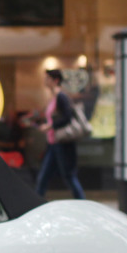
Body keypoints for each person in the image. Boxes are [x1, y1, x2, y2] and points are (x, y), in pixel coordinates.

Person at [33, 69, 84, 199]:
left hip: (62, 142)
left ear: (55, 80)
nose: (45, 81)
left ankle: (82, 202)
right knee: (44, 176)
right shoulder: (54, 97)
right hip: (53, 142)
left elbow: (67, 117)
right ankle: (36, 204)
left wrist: (50, 126)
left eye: (48, 79)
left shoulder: (61, 97)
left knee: (68, 176)